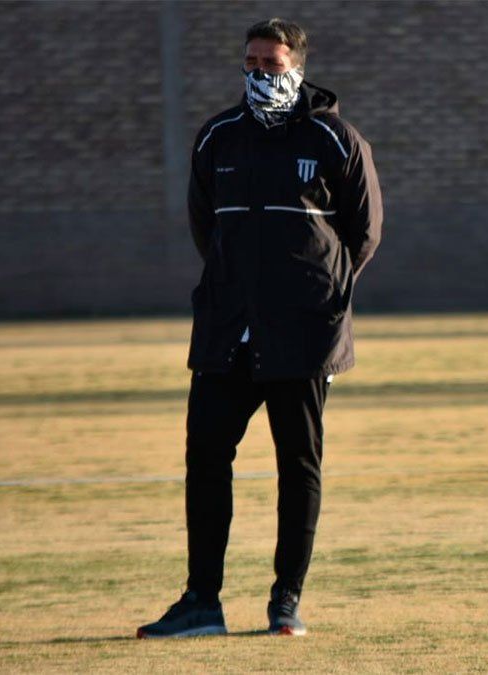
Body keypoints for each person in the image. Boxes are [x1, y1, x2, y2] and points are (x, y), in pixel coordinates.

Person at [138, 18, 382, 638]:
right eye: (251, 63)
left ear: (297, 66)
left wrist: (313, 292)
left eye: (272, 65)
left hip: (302, 333)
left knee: (297, 464)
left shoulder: (335, 139)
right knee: (204, 457)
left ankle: (285, 604)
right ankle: (201, 603)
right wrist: (234, 288)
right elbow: (205, 229)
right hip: (227, 330)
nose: (260, 74)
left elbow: (364, 234)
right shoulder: (217, 137)